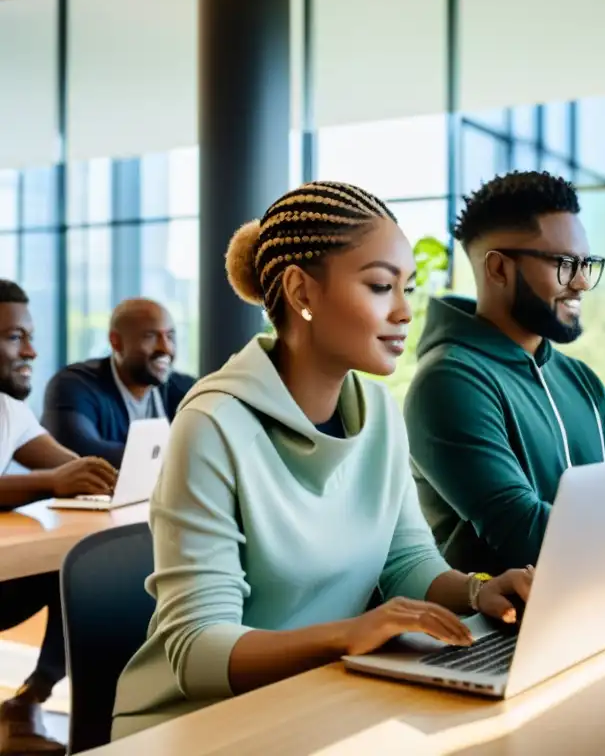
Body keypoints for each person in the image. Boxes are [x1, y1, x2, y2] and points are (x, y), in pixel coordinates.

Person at [110, 181, 533, 739]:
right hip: (200, 726)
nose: (406, 311)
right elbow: (197, 652)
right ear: (301, 292)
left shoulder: (379, 413)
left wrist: (481, 590)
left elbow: (408, 563)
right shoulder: (213, 424)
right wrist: (347, 634)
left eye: (407, 287)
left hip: (323, 696)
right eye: (382, 286)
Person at [404, 170, 605, 575]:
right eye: (564, 263)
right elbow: (527, 537)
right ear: (498, 269)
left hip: (602, 601)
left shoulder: (581, 380)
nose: (580, 282)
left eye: (586, 264)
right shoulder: (449, 381)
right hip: (497, 628)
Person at [0, 279, 118, 755]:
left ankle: (30, 700)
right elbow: (54, 479)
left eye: (29, 335)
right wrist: (50, 483)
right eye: (13, 337)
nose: (30, 349)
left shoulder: (9, 410)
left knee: (85, 566)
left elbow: (69, 467)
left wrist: (115, 478)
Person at [42, 298, 195, 468]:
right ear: (116, 341)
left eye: (170, 336)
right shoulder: (74, 385)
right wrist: (179, 457)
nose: (165, 348)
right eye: (150, 336)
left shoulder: (185, 388)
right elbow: (83, 453)